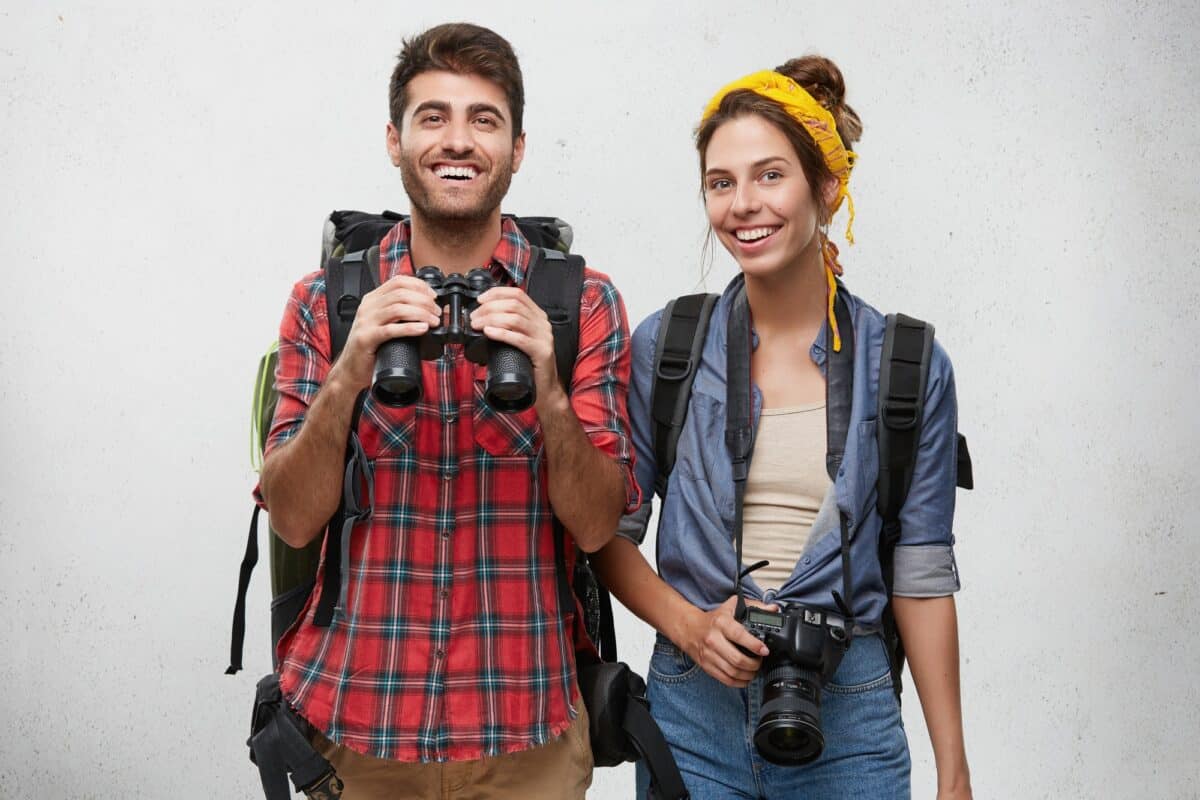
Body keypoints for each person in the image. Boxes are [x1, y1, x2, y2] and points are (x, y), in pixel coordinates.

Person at [256, 22, 639, 799]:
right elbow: (293, 520)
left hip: (526, 729)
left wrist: (547, 388)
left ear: (518, 149)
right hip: (358, 727)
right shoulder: (325, 301)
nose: (456, 141)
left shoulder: (581, 302)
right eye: (433, 117)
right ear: (395, 140)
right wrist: (350, 373)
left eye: (483, 119)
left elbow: (599, 526)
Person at [591, 56, 972, 799]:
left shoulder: (908, 364)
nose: (743, 205)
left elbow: (922, 578)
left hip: (850, 709)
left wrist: (953, 770)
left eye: (770, 175)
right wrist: (689, 625)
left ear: (827, 186)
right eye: (720, 181)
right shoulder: (668, 346)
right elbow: (605, 531)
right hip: (690, 708)